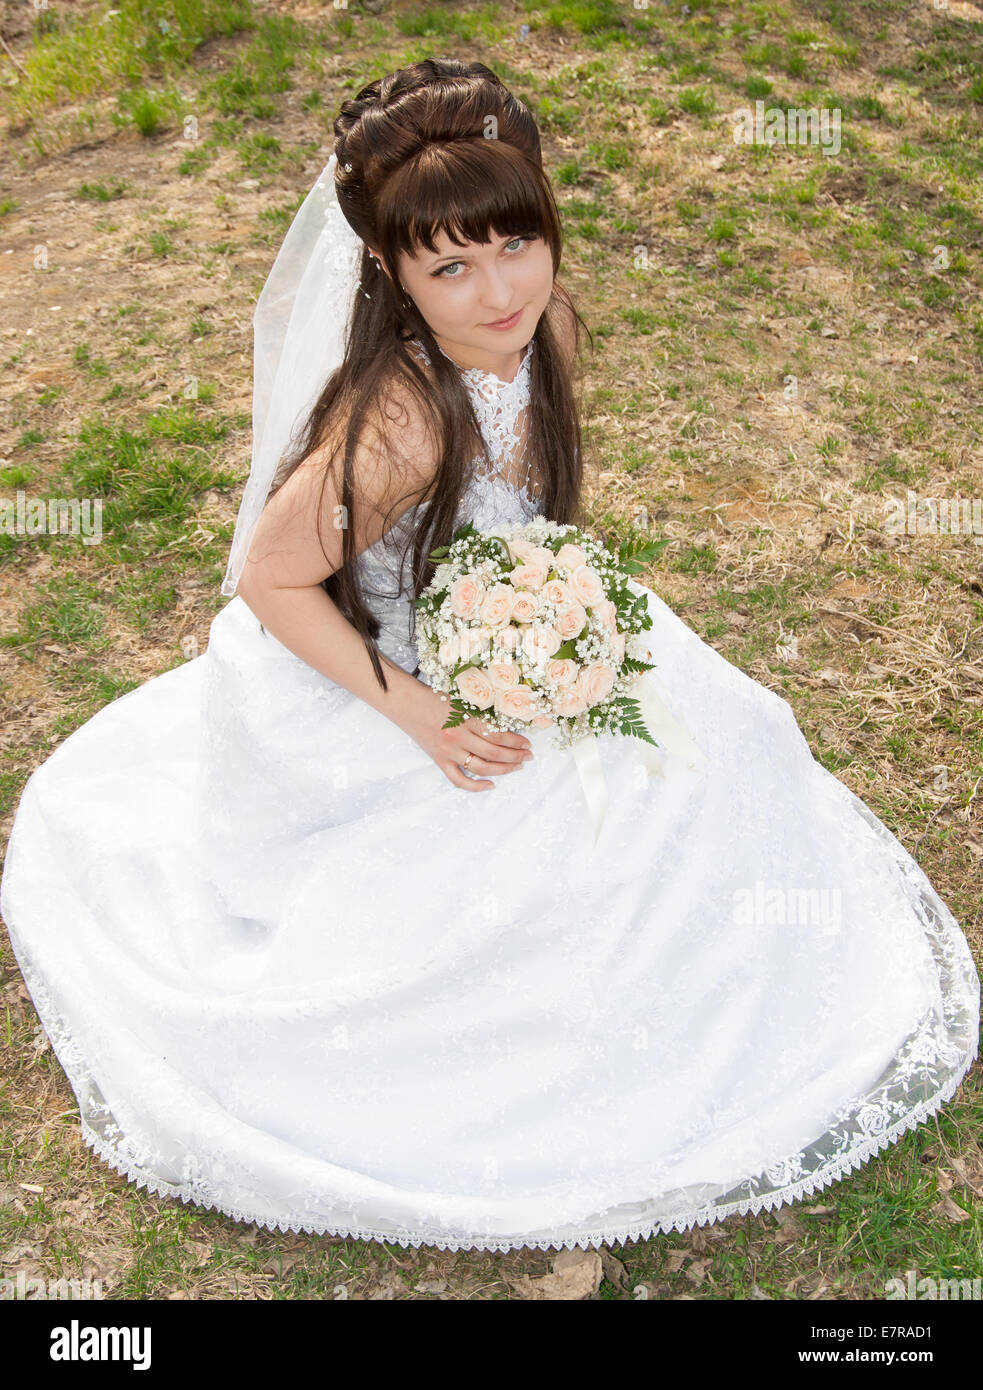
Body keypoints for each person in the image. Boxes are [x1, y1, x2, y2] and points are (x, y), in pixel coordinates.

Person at [1, 59, 978, 1257]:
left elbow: (530, 491)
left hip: (518, 625)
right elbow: (270, 580)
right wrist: (416, 709)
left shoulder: (545, 322)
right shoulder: (399, 421)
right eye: (448, 267)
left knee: (711, 761)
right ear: (395, 278)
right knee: (519, 861)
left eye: (513, 244)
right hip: (385, 668)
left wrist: (554, 609)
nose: (496, 289)